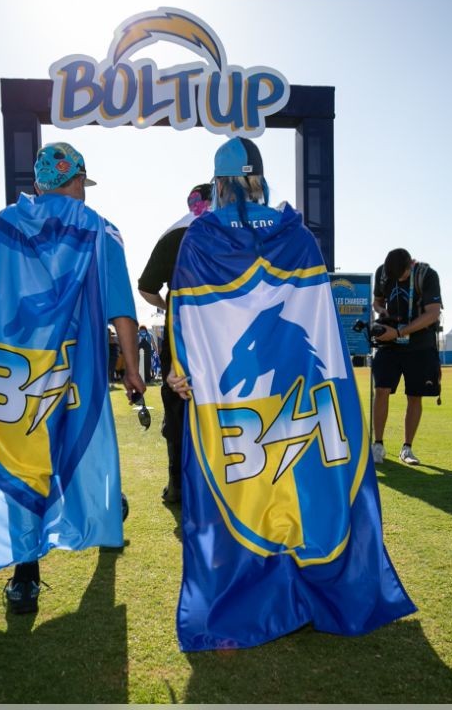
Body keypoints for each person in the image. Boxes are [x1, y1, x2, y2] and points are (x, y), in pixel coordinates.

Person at [164, 138, 416, 651]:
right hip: (306, 396)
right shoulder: (297, 237)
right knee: (308, 489)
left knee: (247, 491)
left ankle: (257, 598)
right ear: (260, 178)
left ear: (218, 181)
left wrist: (178, 370)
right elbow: (321, 323)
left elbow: (185, 318)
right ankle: (313, 591)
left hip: (235, 409)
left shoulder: (200, 238)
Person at [0, 141, 145, 616]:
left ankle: (26, 577)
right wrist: (132, 370)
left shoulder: (2, 225)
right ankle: (102, 515)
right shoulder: (100, 230)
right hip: (74, 370)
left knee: (22, 459)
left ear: (37, 184)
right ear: (76, 182)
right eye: (82, 184)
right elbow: (121, 310)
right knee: (84, 445)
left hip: (12, 370)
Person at [137, 183, 212, 504]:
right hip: (224, 331)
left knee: (177, 402)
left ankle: (177, 484)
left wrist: (171, 309)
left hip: (181, 332)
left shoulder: (174, 233)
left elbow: (146, 287)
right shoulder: (233, 227)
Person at [369, 248, 443, 466]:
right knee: (381, 390)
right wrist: (381, 311)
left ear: (411, 264)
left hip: (419, 344)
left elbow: (433, 312)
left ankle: (407, 448)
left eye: (400, 276)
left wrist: (401, 332)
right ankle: (378, 445)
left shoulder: (427, 275)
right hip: (389, 342)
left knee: (414, 395)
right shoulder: (384, 272)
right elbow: (377, 301)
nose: (396, 280)